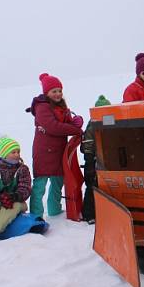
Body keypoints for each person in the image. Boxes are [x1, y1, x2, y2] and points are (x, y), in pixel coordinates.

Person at [26, 73, 84, 218]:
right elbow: (53, 127)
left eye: (59, 91)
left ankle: (55, 211)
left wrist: (77, 121)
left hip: (59, 151)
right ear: (47, 93)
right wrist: (75, 130)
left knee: (58, 181)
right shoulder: (42, 107)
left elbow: (67, 122)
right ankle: (36, 214)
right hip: (44, 152)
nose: (58, 94)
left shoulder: (61, 106)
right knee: (40, 185)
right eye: (54, 91)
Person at [80, 94, 111, 224]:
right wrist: (89, 156)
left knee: (104, 186)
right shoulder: (93, 126)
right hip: (92, 161)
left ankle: (104, 211)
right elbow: (88, 143)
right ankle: (89, 214)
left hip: (104, 160)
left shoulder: (109, 124)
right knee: (92, 186)